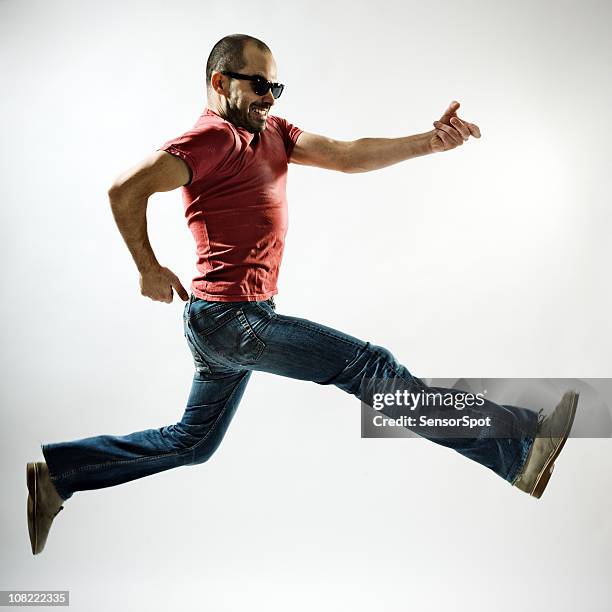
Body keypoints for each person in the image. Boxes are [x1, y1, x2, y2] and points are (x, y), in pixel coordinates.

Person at [26, 33, 579, 555]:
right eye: (258, 85)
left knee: (192, 442)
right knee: (371, 368)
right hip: (229, 320)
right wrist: (147, 267)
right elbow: (125, 187)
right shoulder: (210, 139)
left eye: (276, 86)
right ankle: (517, 446)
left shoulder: (271, 133)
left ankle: (62, 473)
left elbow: (345, 154)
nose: (269, 96)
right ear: (221, 83)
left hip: (236, 320)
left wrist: (430, 142)